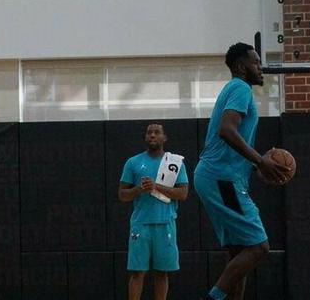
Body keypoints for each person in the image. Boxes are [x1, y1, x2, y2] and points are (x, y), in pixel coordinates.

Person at [196, 42, 289, 300]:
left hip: (218, 176)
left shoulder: (234, 89)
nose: (261, 68)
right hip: (221, 177)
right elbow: (226, 129)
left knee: (239, 251)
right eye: (256, 62)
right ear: (240, 66)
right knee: (259, 246)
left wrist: (254, 163)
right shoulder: (240, 88)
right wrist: (261, 161)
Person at [118, 123, 189, 300]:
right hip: (141, 224)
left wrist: (156, 186)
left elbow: (183, 193)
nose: (152, 135)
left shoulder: (174, 163)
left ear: (164, 138)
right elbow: (122, 195)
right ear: (145, 137)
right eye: (149, 133)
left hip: (165, 223)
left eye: (157, 133)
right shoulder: (133, 162)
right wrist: (138, 190)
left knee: (162, 272)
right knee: (137, 272)